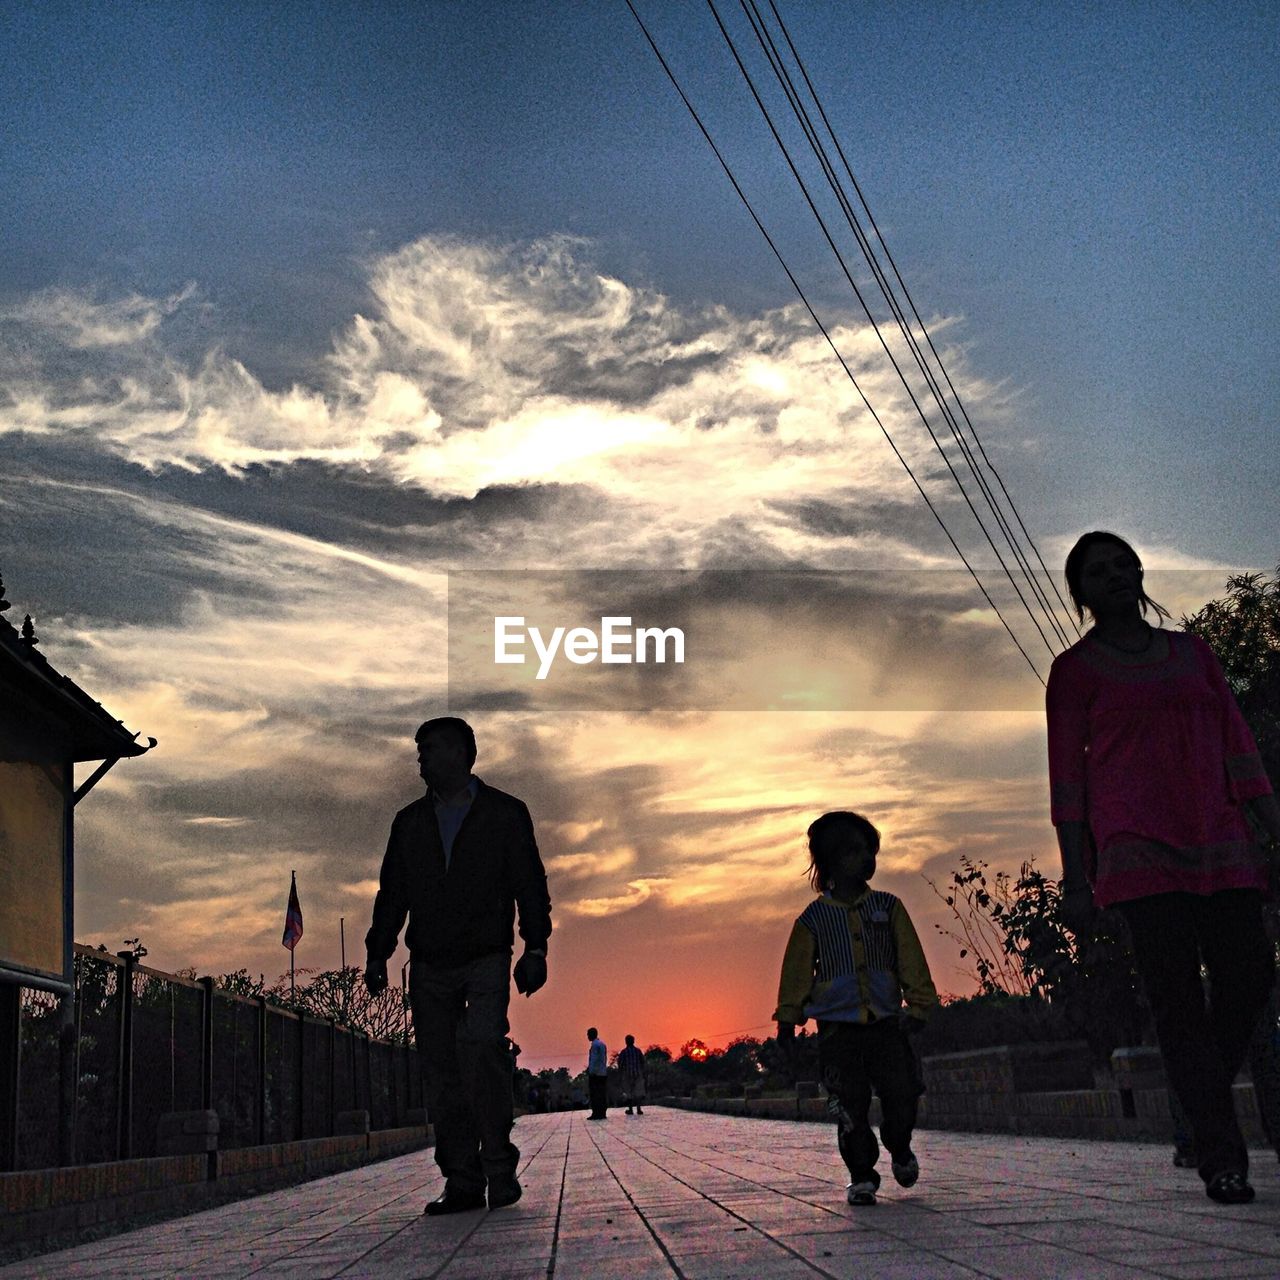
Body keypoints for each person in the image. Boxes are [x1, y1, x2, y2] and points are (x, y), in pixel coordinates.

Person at [1047, 531, 1280, 1205]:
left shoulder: (1192, 654)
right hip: (1136, 853)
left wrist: (1271, 828)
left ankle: (1196, 1096)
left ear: (1141, 572)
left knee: (1249, 975)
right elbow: (1069, 780)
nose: (1117, 575)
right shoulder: (1076, 671)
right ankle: (1222, 1156)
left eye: (1125, 563)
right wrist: (1074, 876)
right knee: (1177, 1002)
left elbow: (1239, 744)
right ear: (1081, 592)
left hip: (1221, 838)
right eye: (1098, 570)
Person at [364, 716, 552, 1215]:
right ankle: (462, 1180)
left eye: (429, 748)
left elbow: (529, 882)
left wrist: (536, 948)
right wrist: (377, 952)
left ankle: (498, 1167)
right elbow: (393, 892)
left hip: (486, 955)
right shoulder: (409, 822)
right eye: (419, 749)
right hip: (429, 961)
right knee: (441, 1072)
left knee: (482, 1049)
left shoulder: (505, 813)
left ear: (461, 753)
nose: (420, 757)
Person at [774, 810, 938, 1207]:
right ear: (831, 860)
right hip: (837, 1032)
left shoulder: (888, 908)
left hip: (886, 1026)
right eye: (855, 852)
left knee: (901, 1095)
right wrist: (788, 1019)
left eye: (870, 851)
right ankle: (861, 1174)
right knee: (849, 1107)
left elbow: (910, 959)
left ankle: (899, 1146)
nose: (867, 860)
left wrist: (919, 1005)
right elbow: (796, 974)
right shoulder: (812, 920)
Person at [617, 1034, 647, 1115]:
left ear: (626, 1042)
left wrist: (620, 1075)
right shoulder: (638, 1051)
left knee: (629, 1092)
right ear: (633, 1041)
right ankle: (639, 1109)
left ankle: (630, 1109)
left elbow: (620, 1064)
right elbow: (643, 1062)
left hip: (627, 1075)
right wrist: (643, 1073)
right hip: (637, 1074)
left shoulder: (623, 1052)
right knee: (638, 1092)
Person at [586, 1028, 609, 1119]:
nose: (587, 1036)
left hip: (595, 1074)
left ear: (592, 1034)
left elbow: (594, 1060)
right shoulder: (602, 1044)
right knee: (602, 1094)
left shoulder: (595, 1045)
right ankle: (602, 1112)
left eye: (588, 1034)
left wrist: (591, 1071)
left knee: (595, 1094)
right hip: (603, 1073)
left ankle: (596, 1113)